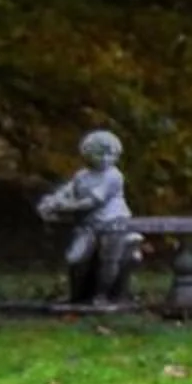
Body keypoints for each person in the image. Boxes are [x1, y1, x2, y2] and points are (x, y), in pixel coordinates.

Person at [37, 129, 138, 306]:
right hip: (88, 224)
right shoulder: (82, 175)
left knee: (108, 261)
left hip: (113, 223)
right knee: (75, 259)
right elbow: (68, 190)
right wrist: (51, 202)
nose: (105, 158)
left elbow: (92, 201)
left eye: (110, 154)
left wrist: (64, 207)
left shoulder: (114, 176)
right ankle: (77, 295)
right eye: (99, 154)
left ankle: (102, 295)